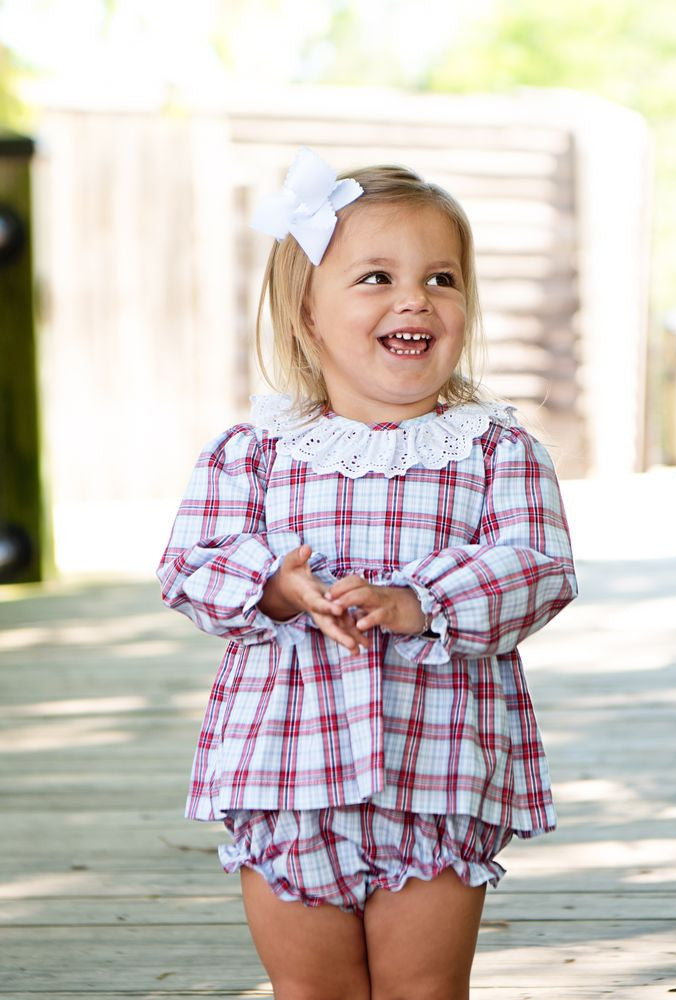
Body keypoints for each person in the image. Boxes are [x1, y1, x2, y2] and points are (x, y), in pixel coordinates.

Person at [157, 147, 577, 1000]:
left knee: (422, 989)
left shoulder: (496, 450)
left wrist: (420, 601)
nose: (415, 298)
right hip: (283, 774)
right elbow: (188, 565)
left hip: (439, 773)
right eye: (376, 277)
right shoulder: (255, 454)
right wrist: (275, 585)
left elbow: (536, 567)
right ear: (308, 316)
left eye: (442, 279)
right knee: (313, 992)